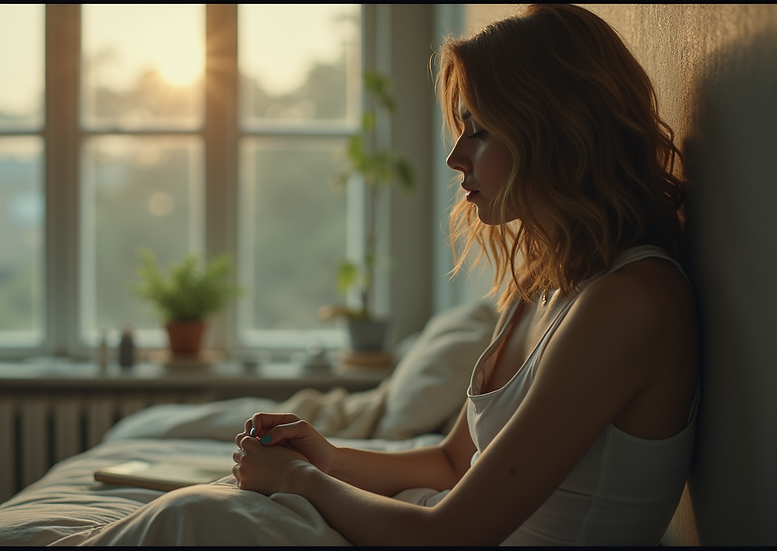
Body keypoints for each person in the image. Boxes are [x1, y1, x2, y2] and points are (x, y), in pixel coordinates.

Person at [232, 4, 700, 546]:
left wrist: (298, 480)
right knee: (200, 511)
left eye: (478, 131)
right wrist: (329, 459)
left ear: (553, 130)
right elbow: (455, 463)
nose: (455, 157)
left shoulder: (631, 303)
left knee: (194, 519)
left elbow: (449, 536)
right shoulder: (542, 284)